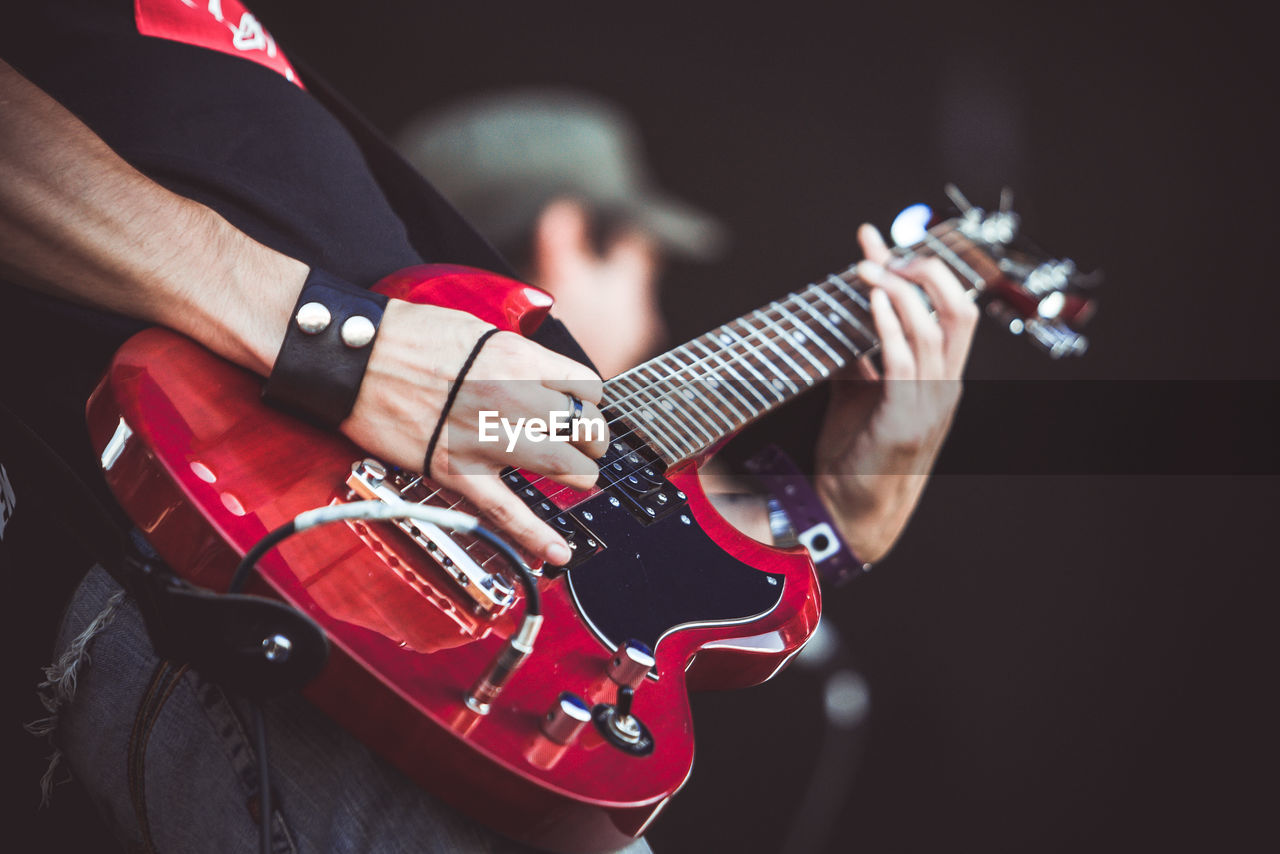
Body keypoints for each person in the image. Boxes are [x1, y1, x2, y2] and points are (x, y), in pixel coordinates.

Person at [0, 3, 976, 852]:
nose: (664, 314)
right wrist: (344, 347)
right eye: (644, 266)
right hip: (168, 538)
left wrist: (832, 517)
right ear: (565, 238)